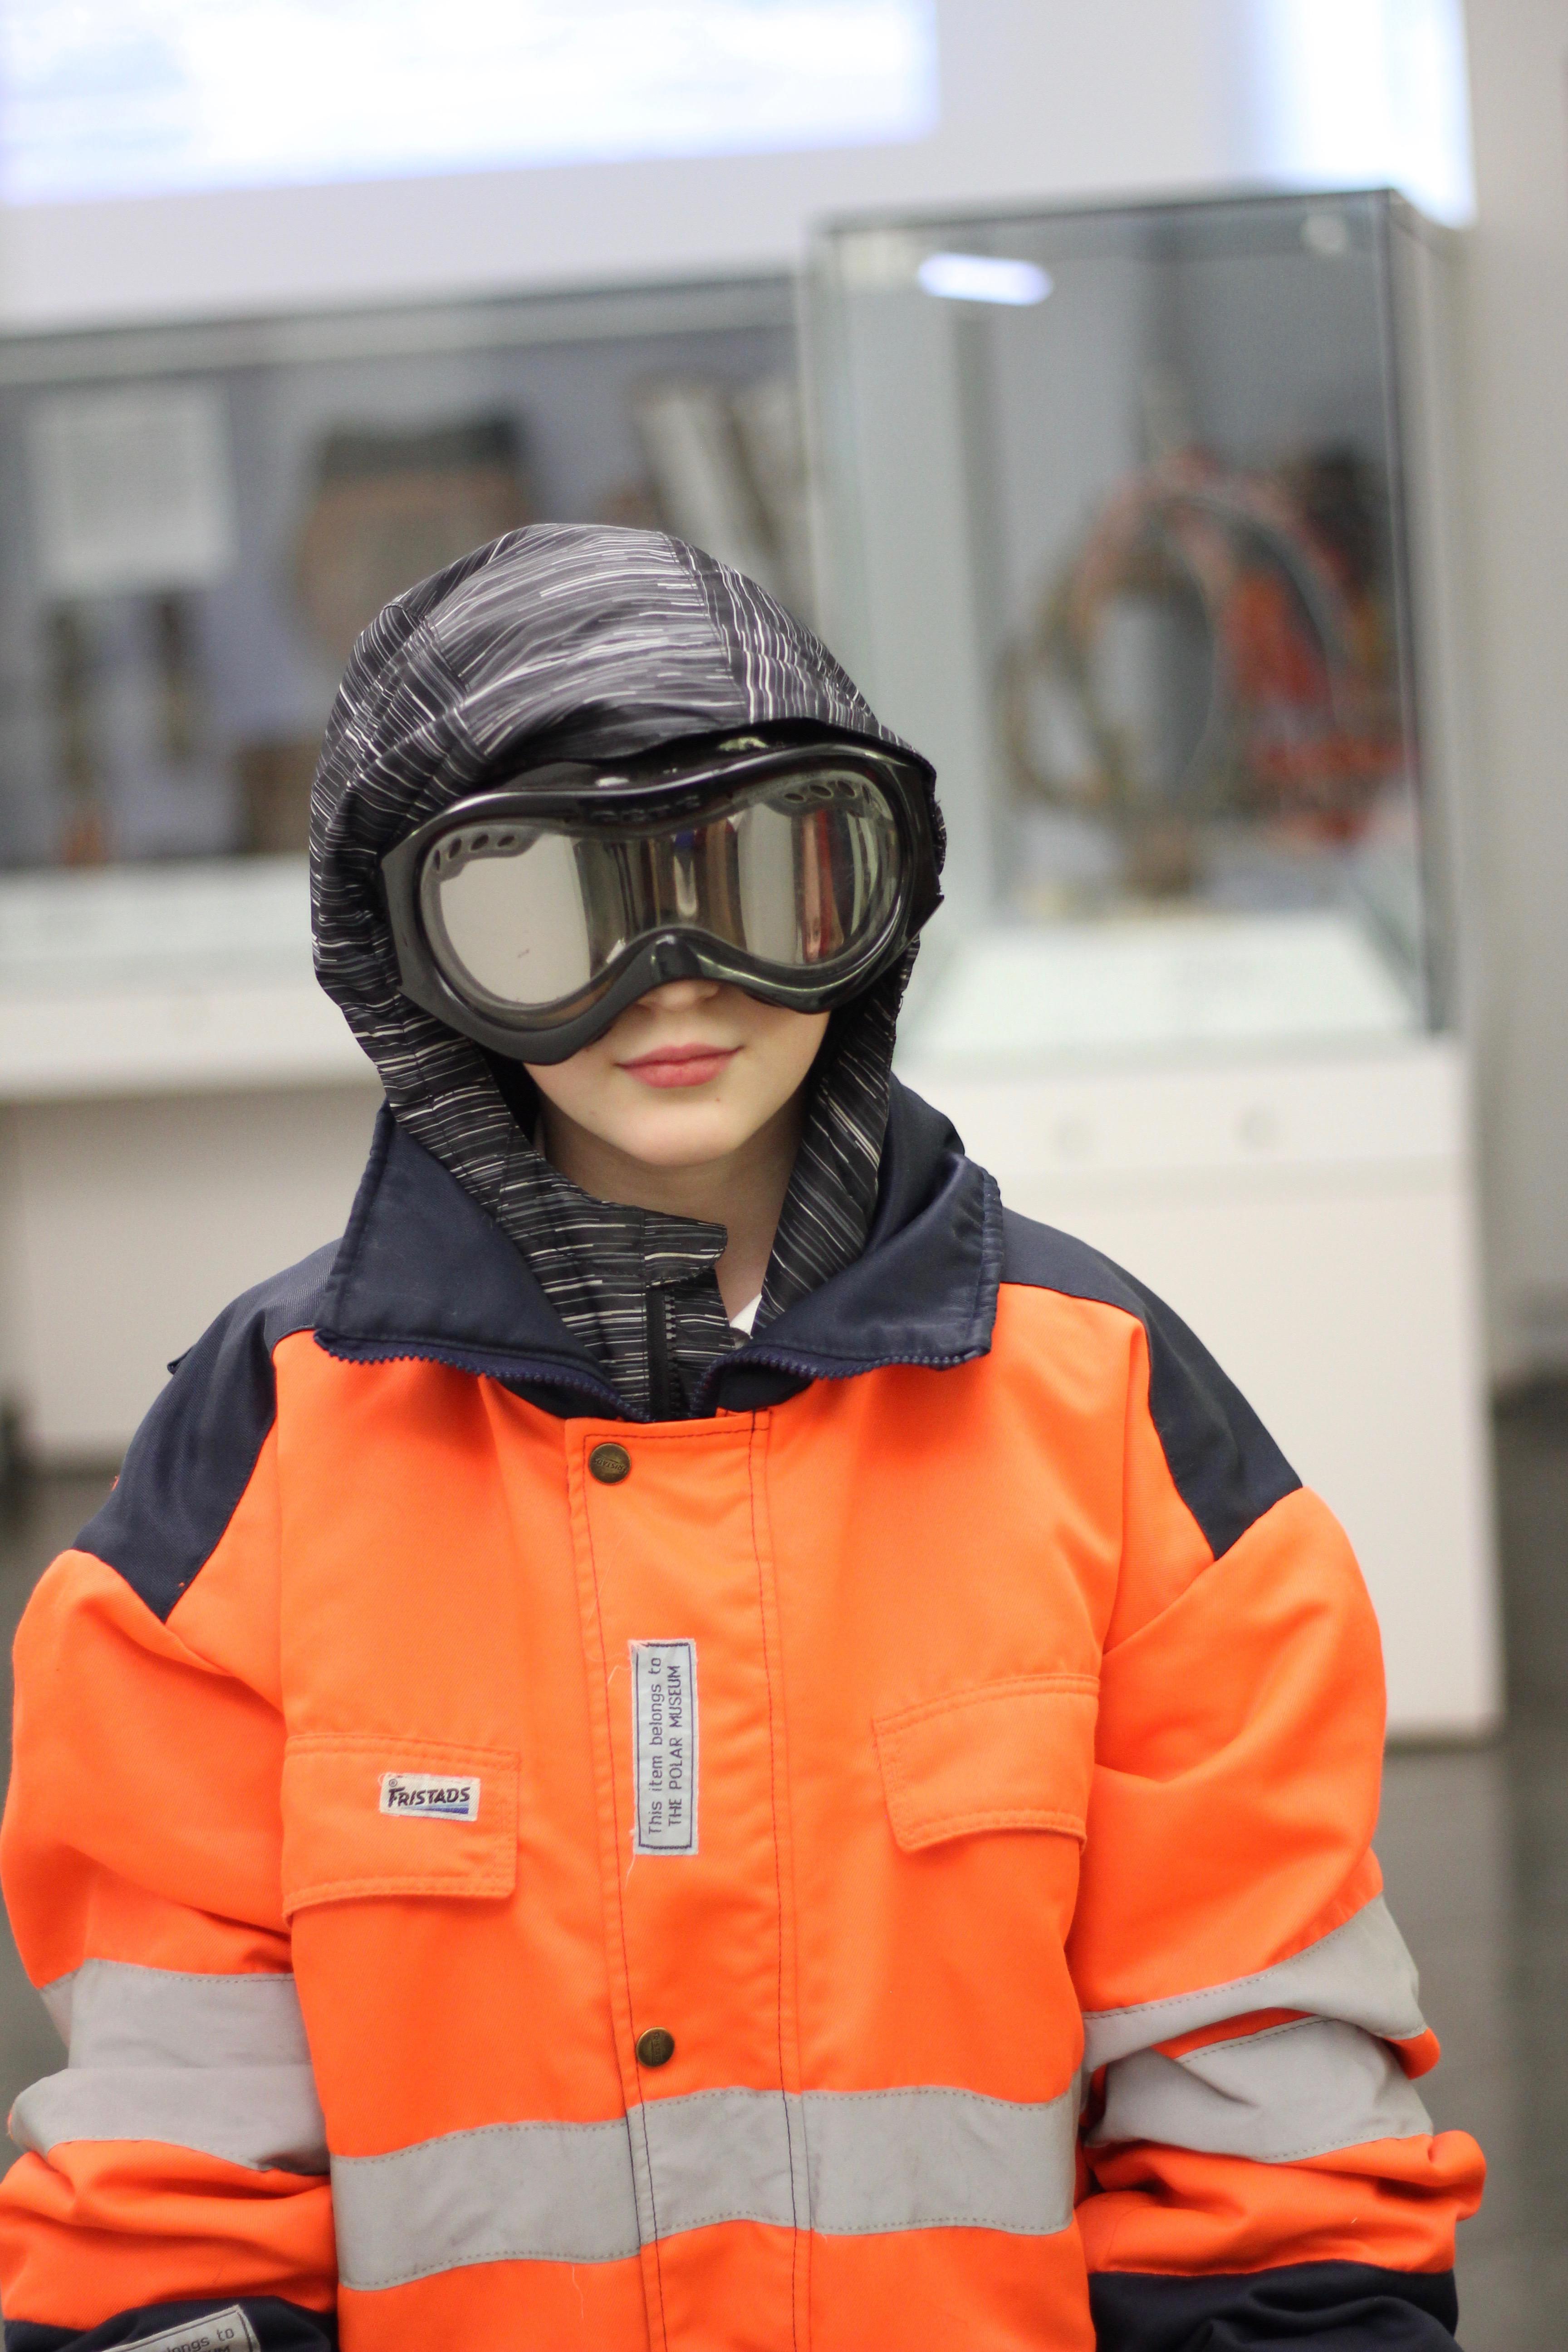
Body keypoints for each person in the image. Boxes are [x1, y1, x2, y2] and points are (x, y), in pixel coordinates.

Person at [0, 526, 1482, 2352]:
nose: (675, 979)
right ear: (408, 958)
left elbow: (1276, 2142)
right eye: (546, 903)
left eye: (762, 874)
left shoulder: (1102, 1407)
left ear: (875, 894)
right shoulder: (264, 1452)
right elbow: (169, 2175)